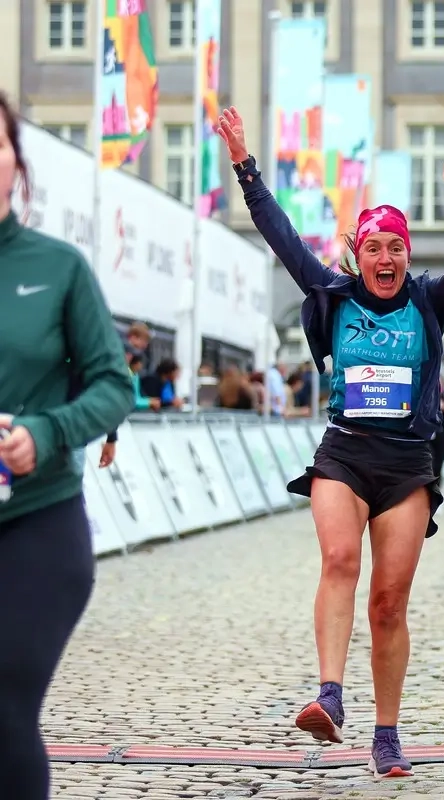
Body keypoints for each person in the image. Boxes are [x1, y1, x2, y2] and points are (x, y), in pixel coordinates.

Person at [216, 106, 444, 779]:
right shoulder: (332, 295)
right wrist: (245, 164)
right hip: (344, 451)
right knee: (339, 558)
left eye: (396, 247)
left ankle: (387, 734)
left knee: (389, 605)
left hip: (407, 464)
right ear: (357, 254)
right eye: (374, 248)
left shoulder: (429, 301)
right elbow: (278, 233)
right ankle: (330, 694)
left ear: (405, 254)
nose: (386, 258)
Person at [0, 91, 135, 800]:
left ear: (15, 163)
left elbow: (115, 384)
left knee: (3, 709)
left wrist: (45, 433)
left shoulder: (57, 268)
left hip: (37, 524)